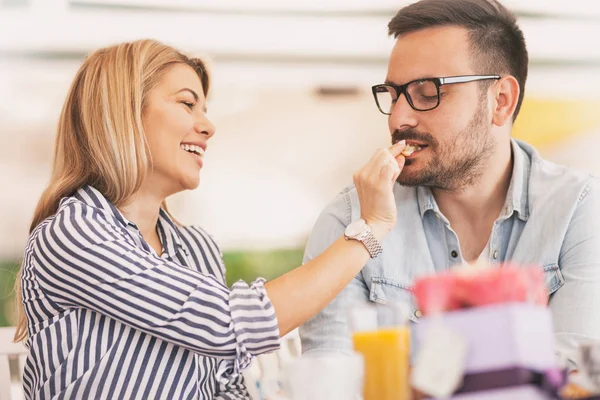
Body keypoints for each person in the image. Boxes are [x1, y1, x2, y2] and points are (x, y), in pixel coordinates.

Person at [13, 39, 407, 399]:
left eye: (206, 108)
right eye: (187, 104)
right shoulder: (71, 234)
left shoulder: (196, 248)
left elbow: (224, 385)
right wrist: (369, 227)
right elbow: (227, 324)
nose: (208, 126)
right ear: (124, 112)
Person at [300, 0, 600, 369]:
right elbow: (332, 379)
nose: (399, 117)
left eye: (428, 92)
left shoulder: (580, 208)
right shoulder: (350, 222)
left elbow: (579, 371)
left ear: (501, 102)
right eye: (393, 95)